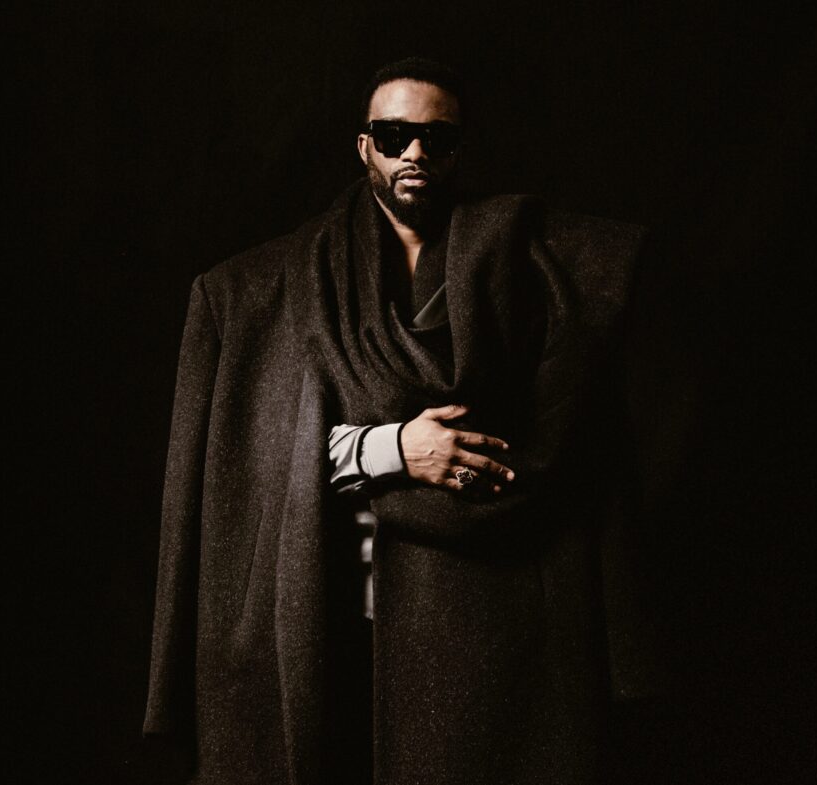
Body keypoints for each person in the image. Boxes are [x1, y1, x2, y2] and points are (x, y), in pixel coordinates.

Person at [145, 57, 657, 785]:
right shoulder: (271, 291)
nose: (414, 152)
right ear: (364, 147)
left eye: (435, 139)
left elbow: (559, 442)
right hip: (327, 614)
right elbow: (254, 459)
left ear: (458, 151)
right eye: (393, 136)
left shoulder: (530, 275)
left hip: (483, 623)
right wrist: (396, 448)